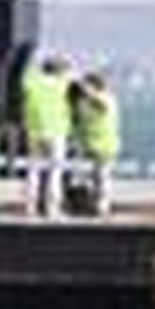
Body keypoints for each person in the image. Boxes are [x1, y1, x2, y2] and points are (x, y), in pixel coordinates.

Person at [20, 52, 72, 218]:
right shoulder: (63, 84)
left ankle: (30, 207)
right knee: (55, 171)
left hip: (34, 130)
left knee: (33, 169)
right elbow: (71, 80)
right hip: (56, 131)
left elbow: (26, 75)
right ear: (59, 70)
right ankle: (52, 209)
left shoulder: (31, 82)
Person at [72, 69, 120, 215]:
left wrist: (86, 91)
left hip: (105, 145)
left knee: (102, 178)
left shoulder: (107, 98)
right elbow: (77, 121)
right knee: (85, 178)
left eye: (88, 85)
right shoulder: (82, 102)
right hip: (87, 144)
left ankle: (101, 207)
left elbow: (102, 105)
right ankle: (87, 204)